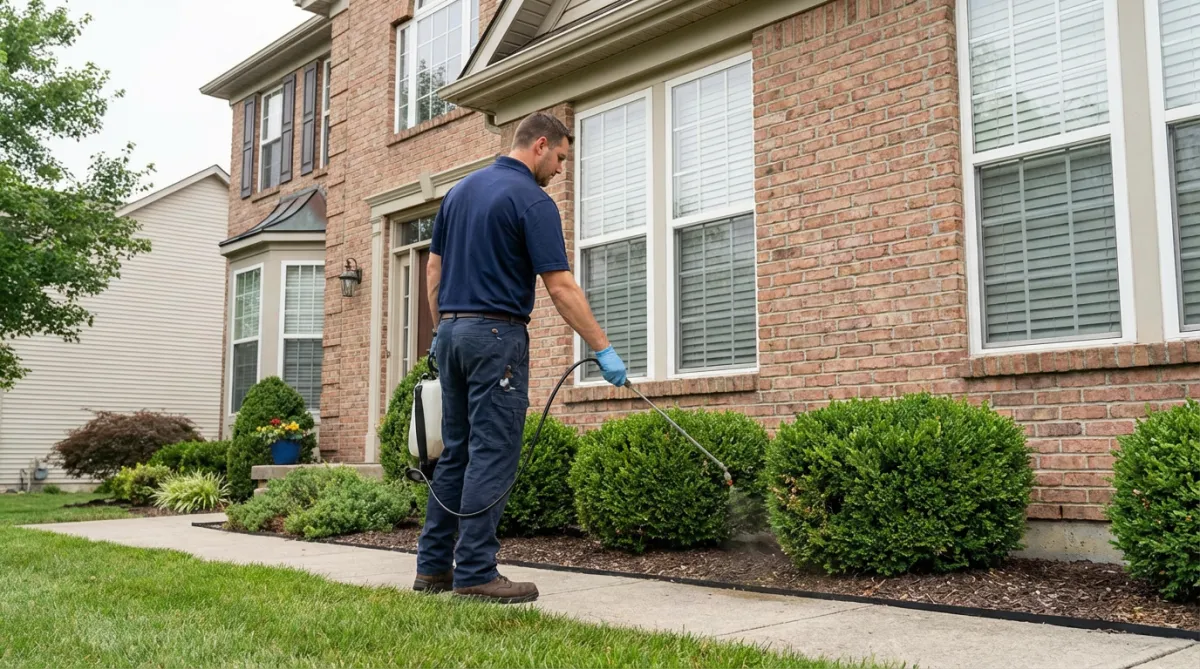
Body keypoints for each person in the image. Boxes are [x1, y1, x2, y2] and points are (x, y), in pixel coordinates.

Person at [413, 112, 627, 604]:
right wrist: (603, 348)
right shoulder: (533, 201)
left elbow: (433, 270)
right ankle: (474, 572)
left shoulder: (459, 193)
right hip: (496, 337)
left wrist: (442, 329)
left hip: (451, 331)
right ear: (541, 145)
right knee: (493, 449)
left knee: (456, 451)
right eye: (560, 159)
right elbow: (561, 286)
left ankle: (432, 569)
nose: (559, 170)